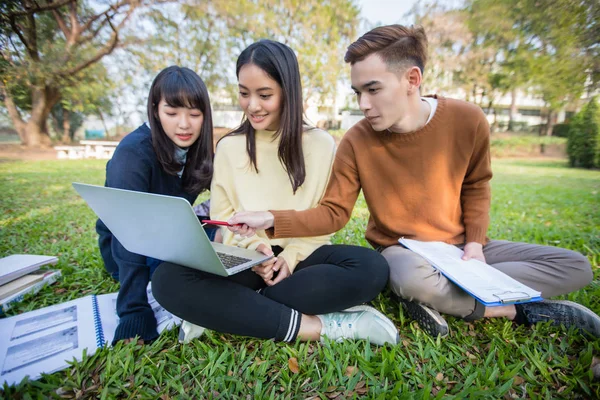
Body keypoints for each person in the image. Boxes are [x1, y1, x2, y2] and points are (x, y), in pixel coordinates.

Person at [228, 25, 600, 338]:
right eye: (358, 92)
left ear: (412, 79)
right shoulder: (357, 140)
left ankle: (447, 296)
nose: (363, 103)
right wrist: (272, 219)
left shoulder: (468, 119)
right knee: (408, 276)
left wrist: (474, 246)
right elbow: (334, 213)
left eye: (373, 90)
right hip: (404, 253)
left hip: (460, 248)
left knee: (576, 266)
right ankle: (515, 310)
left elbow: (477, 185)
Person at [151, 39, 398, 346]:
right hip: (246, 258)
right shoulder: (228, 147)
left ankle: (229, 308)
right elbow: (223, 218)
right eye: (244, 93)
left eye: (264, 95)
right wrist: (257, 251)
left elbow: (322, 218)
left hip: (304, 259)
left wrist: (290, 259)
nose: (252, 105)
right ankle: (317, 327)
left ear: (287, 92)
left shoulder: (320, 144)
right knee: (167, 279)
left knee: (371, 267)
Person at [96, 66, 215, 344]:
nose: (184, 124)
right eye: (172, 113)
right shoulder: (132, 154)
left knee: (229, 242)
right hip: (127, 246)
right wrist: (133, 311)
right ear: (154, 109)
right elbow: (126, 232)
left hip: (170, 235)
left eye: (194, 114)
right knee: (181, 274)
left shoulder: (199, 150)